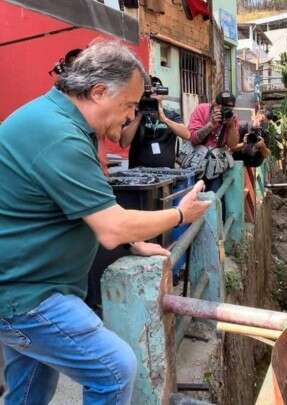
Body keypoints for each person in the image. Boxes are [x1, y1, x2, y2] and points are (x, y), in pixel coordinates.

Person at [0, 40, 210, 405]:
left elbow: (73, 207)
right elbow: (111, 226)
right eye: (128, 104)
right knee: (114, 368)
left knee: (31, 391)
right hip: (27, 294)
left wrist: (132, 242)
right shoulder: (59, 135)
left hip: (25, 284)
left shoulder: (57, 121)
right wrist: (180, 215)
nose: (131, 116)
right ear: (98, 92)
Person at [122, 75, 190, 169]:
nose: (154, 94)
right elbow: (124, 142)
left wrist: (165, 120)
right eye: (151, 92)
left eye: (157, 91)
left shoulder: (171, 115)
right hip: (138, 173)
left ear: (162, 94)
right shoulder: (134, 114)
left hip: (166, 174)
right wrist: (140, 114)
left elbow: (186, 134)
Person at [186, 91, 239, 192]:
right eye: (222, 108)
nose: (225, 111)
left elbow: (232, 145)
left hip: (216, 167)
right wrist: (210, 125)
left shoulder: (232, 117)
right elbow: (193, 138)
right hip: (196, 163)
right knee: (195, 196)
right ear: (214, 104)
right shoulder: (202, 109)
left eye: (229, 108)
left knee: (214, 198)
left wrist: (231, 126)